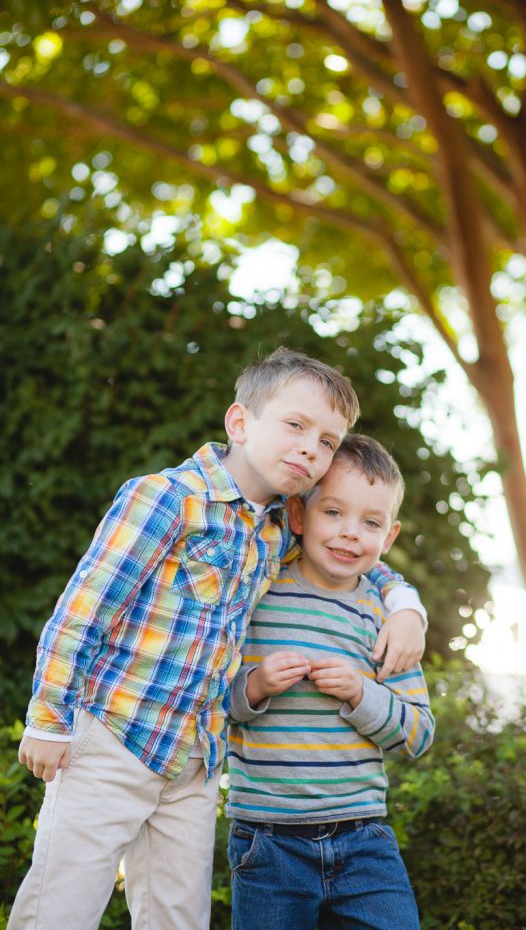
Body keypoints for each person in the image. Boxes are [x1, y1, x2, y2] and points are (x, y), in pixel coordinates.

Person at [10, 349, 427, 930]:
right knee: (62, 906)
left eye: (329, 441)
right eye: (296, 425)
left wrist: (406, 607)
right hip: (112, 737)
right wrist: (49, 719)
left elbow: (352, 557)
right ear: (240, 423)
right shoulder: (166, 499)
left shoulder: (281, 525)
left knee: (179, 917)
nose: (312, 448)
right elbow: (81, 612)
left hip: (196, 759)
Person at [227, 433, 434, 930]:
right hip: (267, 839)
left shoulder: (385, 617)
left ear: (389, 537)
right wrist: (255, 686)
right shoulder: (259, 591)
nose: (349, 534)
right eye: (333, 513)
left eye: (371, 522)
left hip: (363, 839)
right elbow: (210, 698)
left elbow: (419, 733)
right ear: (298, 516)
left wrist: (362, 693)